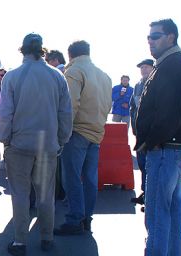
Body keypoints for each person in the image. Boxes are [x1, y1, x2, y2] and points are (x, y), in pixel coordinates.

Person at [128, 19, 181, 256]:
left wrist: (149, 143)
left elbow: (166, 115)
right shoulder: (171, 65)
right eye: (149, 37)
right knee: (170, 209)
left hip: (165, 148)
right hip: (172, 147)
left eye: (155, 36)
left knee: (156, 212)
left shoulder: (172, 67)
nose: (150, 40)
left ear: (171, 37)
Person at [0, 33, 72, 256]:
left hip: (19, 143)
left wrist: (4, 139)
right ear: (43, 51)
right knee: (46, 193)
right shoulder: (57, 77)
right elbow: (65, 113)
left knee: (20, 193)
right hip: (47, 144)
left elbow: (5, 113)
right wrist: (61, 139)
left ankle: (20, 241)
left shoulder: (12, 76)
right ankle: (46, 237)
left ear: (23, 50)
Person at [54, 40, 113, 235]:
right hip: (96, 132)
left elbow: (70, 105)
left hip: (76, 132)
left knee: (71, 178)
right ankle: (87, 217)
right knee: (89, 178)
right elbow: (107, 106)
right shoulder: (104, 75)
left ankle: (74, 219)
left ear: (70, 55)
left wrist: (62, 133)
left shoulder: (73, 72)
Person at [130, 58, 154, 206]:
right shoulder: (138, 85)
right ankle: (145, 192)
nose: (143, 70)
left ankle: (150, 198)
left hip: (151, 134)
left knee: (151, 165)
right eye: (142, 68)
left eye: (146, 67)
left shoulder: (157, 84)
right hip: (139, 133)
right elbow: (133, 107)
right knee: (142, 164)